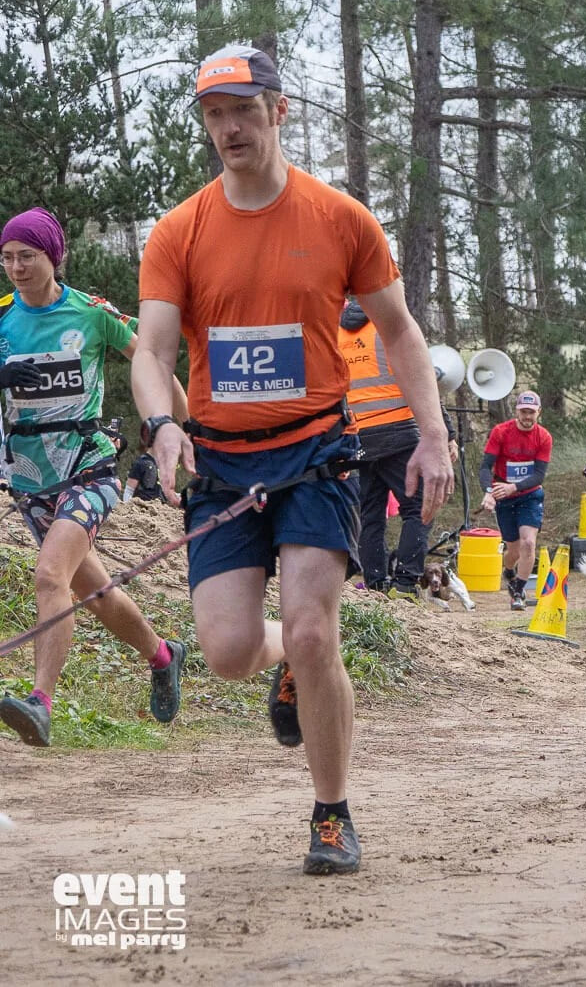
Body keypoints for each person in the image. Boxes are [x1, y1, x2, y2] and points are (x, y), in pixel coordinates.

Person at [135, 43, 453, 874]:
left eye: (243, 109)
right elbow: (151, 348)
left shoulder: (341, 218)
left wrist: (433, 433)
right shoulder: (179, 230)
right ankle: (279, 662)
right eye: (213, 114)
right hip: (222, 464)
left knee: (318, 633)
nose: (228, 127)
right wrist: (160, 424)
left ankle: (331, 813)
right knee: (229, 651)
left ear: (280, 112)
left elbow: (400, 331)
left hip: (317, 453)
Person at [0, 208, 189, 749]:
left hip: (91, 464)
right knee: (92, 591)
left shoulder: (91, 312)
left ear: (53, 257)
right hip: (29, 476)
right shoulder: (1, 317)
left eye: (27, 256)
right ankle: (162, 654)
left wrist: (175, 429)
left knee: (47, 575)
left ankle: (40, 703)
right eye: (8, 257)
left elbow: (151, 364)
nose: (16, 267)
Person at [340, 297, 435, 601]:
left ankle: (375, 584)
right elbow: (419, 377)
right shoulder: (389, 324)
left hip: (359, 436)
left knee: (371, 515)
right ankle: (405, 583)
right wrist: (440, 428)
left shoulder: (335, 332)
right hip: (399, 432)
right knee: (419, 509)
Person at [481, 391, 552, 611]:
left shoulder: (544, 437)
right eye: (523, 412)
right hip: (504, 495)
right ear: (517, 411)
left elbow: (539, 474)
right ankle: (509, 570)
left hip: (530, 495)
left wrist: (515, 486)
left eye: (531, 412)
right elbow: (485, 467)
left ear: (538, 412)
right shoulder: (501, 432)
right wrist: (489, 491)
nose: (527, 416)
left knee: (529, 543)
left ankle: (519, 591)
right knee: (513, 550)